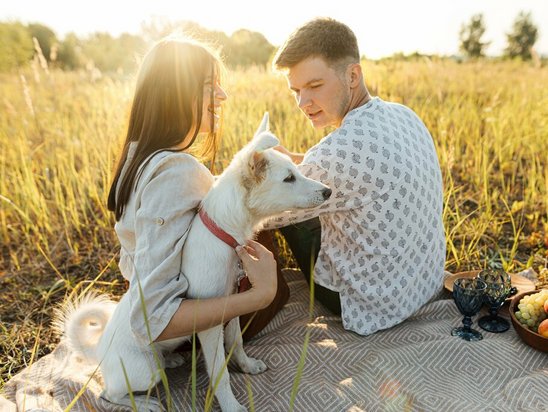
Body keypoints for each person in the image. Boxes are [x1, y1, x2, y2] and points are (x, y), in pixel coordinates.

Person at [266, 18, 446, 335]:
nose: (303, 103)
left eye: (315, 86)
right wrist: (296, 161)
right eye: (296, 90)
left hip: (371, 303)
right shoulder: (404, 114)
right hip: (424, 283)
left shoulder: (336, 153)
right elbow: (354, 171)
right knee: (307, 188)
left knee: (276, 205)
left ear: (352, 75)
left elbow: (262, 212)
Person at [107, 36, 285, 346]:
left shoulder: (139, 157)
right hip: (186, 325)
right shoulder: (175, 173)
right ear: (173, 94)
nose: (222, 95)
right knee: (260, 227)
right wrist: (261, 295)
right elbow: (151, 320)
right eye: (209, 85)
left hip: (165, 302)